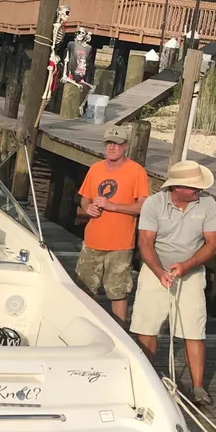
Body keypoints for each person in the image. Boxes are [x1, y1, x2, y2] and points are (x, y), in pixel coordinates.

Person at [131, 160, 216, 406]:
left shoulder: (208, 203)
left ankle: (198, 387)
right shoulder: (153, 204)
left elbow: (214, 243)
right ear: (178, 187)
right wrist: (160, 271)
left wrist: (187, 265)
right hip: (155, 270)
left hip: (191, 272)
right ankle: (147, 381)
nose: (199, 191)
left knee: (194, 329)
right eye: (194, 187)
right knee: (147, 326)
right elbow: (145, 243)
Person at [76, 126, 150, 324]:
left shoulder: (136, 171)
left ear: (125, 146)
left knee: (118, 292)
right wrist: (88, 207)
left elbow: (143, 206)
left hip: (120, 244)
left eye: (116, 144)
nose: (111, 147)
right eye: (108, 143)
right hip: (92, 241)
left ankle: (119, 332)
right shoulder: (95, 169)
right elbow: (84, 198)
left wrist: (113, 206)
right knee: (84, 289)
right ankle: (88, 326)